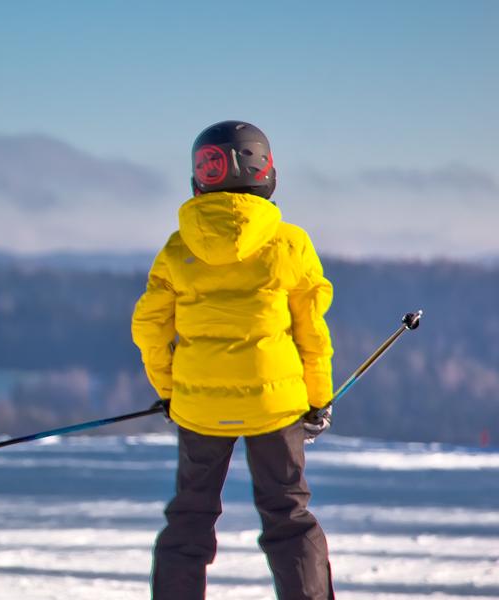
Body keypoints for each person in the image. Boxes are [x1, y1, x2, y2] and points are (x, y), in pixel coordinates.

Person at [133, 120, 336, 599]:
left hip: (199, 408)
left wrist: (170, 392)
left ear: (200, 177)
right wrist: (318, 398)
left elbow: (149, 328)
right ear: (266, 172)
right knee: (288, 517)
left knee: (190, 516)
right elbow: (311, 331)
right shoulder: (289, 243)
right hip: (277, 405)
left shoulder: (179, 248)